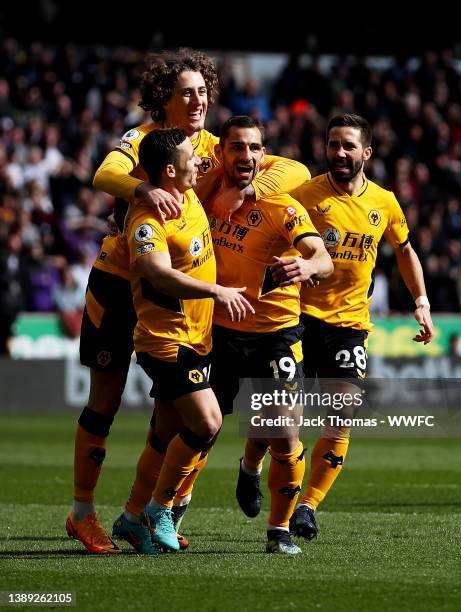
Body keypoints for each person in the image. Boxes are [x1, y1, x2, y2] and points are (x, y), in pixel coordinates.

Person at [67, 48, 310, 554]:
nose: (198, 100)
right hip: (119, 280)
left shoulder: (217, 149)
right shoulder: (143, 141)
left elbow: (293, 170)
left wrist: (247, 181)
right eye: (187, 92)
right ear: (166, 97)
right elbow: (102, 176)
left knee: (173, 420)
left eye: (203, 91)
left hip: (180, 301)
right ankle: (83, 512)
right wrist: (143, 189)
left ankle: (143, 513)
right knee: (105, 403)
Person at [237, 113, 434, 541]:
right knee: (279, 419)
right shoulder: (305, 195)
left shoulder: (384, 202)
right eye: (332, 145)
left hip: (348, 324)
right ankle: (250, 466)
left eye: (347, 146)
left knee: (342, 413)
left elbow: (405, 250)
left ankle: (306, 507)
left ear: (366, 152)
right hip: (296, 318)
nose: (339, 153)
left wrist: (421, 302)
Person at [115, 127, 253, 553]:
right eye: (192, 157)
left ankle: (130, 518)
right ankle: (161, 508)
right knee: (208, 423)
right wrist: (216, 292)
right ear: (171, 169)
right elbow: (156, 272)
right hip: (166, 341)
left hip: (198, 337)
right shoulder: (146, 218)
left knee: (164, 433)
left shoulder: (188, 195)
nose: (200, 162)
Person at [208, 116, 333, 554]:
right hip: (218, 329)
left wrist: (309, 266)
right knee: (199, 426)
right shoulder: (205, 198)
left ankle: (278, 530)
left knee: (283, 429)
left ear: (265, 155)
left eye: (254, 148)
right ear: (222, 153)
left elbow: (322, 258)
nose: (246, 156)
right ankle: (167, 509)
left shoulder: (283, 205)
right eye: (237, 148)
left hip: (274, 334)